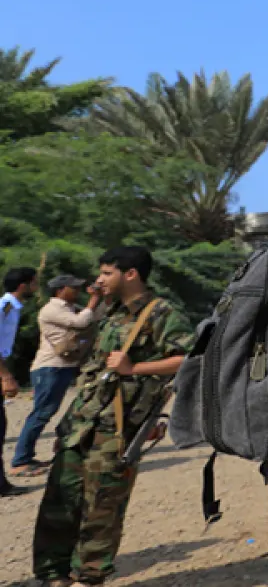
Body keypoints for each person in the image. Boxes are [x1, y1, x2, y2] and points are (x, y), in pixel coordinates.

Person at [32, 247, 194, 586]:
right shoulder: (110, 312)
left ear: (130, 273)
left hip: (117, 429)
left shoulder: (161, 313)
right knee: (59, 503)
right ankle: (51, 575)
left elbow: (189, 359)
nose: (99, 280)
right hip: (81, 424)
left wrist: (135, 368)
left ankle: (88, 578)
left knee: (101, 510)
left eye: (106, 273)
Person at [11, 275, 103, 477]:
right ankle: (20, 461)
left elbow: (94, 318)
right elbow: (80, 323)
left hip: (61, 366)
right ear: (60, 289)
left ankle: (26, 457)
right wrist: (94, 300)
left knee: (44, 413)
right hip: (50, 367)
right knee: (41, 414)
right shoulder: (52, 309)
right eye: (73, 288)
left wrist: (100, 299)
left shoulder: (68, 307)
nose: (77, 290)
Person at [0, 267, 39, 497]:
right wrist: (5, 376)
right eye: (34, 283)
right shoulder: (4, 307)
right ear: (23, 285)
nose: (36, 287)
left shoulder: (12, 308)